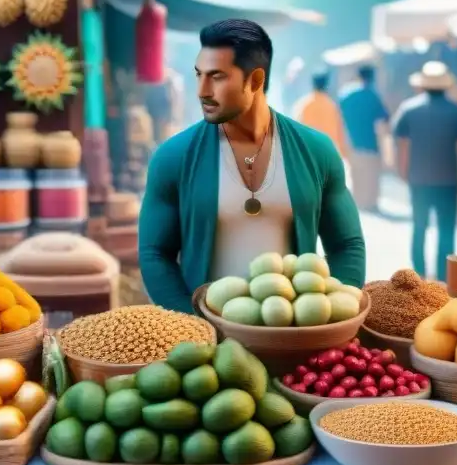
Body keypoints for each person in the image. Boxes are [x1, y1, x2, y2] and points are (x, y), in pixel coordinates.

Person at [139, 19, 366, 313]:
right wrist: (190, 324)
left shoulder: (316, 150)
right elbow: (155, 253)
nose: (202, 90)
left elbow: (346, 244)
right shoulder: (173, 157)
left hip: (294, 334)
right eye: (199, 75)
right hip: (209, 344)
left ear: (256, 81)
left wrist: (332, 313)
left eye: (217, 77)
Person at [392, 61, 457, 281]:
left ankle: (418, 275)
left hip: (418, 179)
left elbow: (402, 143)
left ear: (422, 85)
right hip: (448, 180)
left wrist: (402, 169)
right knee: (446, 229)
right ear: (446, 85)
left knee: (419, 227)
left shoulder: (409, 109)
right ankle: (443, 276)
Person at [338, 64, 389, 211]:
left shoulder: (345, 94)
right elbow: (385, 118)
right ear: (372, 77)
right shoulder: (373, 95)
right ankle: (371, 203)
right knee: (371, 176)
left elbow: (339, 116)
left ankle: (358, 202)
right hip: (370, 142)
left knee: (356, 174)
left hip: (351, 141)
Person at [293, 70, 349, 158]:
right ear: (326, 85)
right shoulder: (331, 105)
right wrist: (343, 154)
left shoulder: (303, 105)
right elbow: (340, 133)